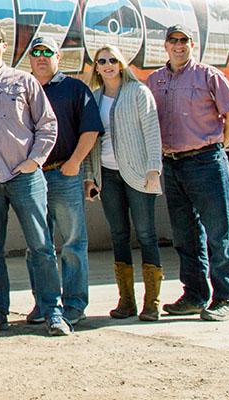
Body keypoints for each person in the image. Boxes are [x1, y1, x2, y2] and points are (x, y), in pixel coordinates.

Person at [0, 23, 72, 336]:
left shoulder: (23, 81)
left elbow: (47, 125)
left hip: (23, 177)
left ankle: (53, 312)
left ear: (4, 45)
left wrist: (34, 160)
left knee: (41, 246)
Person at [146, 25, 229, 321]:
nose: (178, 46)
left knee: (218, 233)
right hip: (172, 164)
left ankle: (226, 298)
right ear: (165, 46)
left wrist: (216, 147)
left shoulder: (208, 75)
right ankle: (195, 294)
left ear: (192, 44)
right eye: (173, 40)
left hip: (206, 162)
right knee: (185, 235)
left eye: (183, 41)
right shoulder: (154, 80)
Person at [83, 45, 164, 321]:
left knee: (146, 234)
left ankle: (151, 302)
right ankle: (126, 300)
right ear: (95, 67)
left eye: (112, 60)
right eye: (101, 61)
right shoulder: (94, 98)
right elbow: (91, 141)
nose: (107, 65)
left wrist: (154, 168)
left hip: (138, 174)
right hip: (108, 175)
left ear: (121, 64)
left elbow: (152, 132)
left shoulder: (138, 92)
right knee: (118, 234)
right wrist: (89, 177)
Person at [27, 36, 103, 327]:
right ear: (30, 59)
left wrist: (74, 164)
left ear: (58, 56)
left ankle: (74, 304)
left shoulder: (74, 88)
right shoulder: (24, 87)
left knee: (72, 243)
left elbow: (91, 130)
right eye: (36, 53)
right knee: (37, 244)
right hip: (32, 178)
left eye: (48, 52)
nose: (42, 58)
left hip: (63, 174)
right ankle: (44, 303)